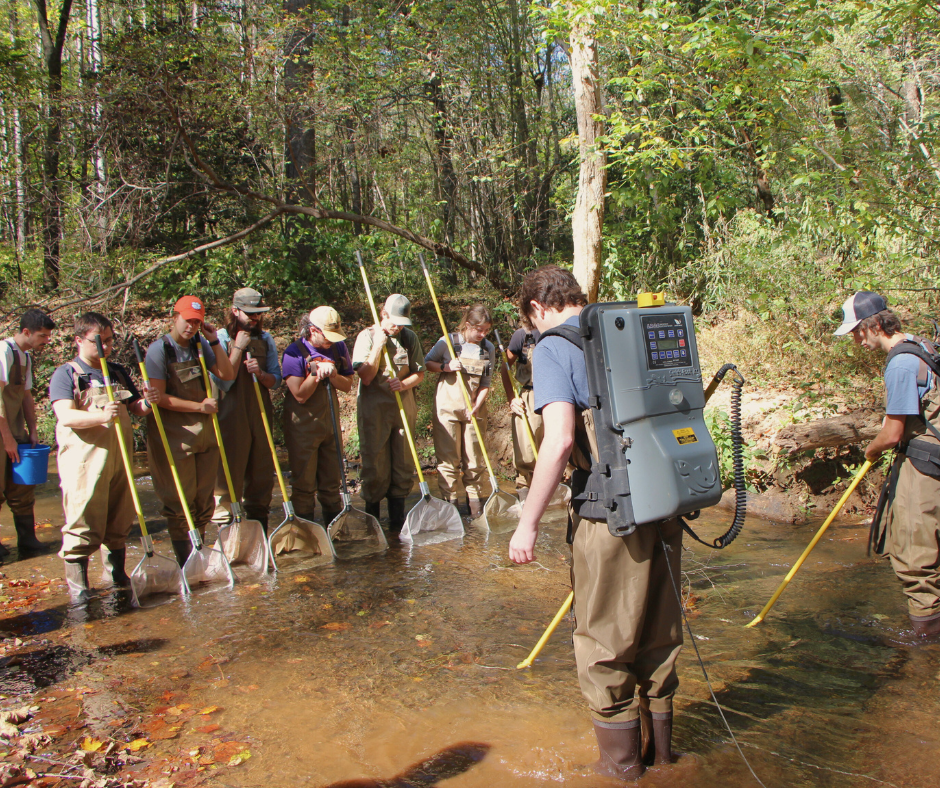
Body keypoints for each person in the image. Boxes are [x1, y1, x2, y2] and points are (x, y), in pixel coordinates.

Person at [508, 266, 682, 779]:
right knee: (658, 639)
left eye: (530, 323)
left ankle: (622, 773)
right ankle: (667, 763)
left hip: (609, 517)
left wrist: (528, 523)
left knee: (605, 650)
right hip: (665, 503)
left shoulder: (552, 348)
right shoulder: (628, 326)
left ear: (537, 309)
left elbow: (560, 441)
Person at [835, 291, 940, 638]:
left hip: (925, 465)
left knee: (915, 559)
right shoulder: (922, 345)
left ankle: (923, 645)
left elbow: (893, 434)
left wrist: (871, 451)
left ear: (875, 325)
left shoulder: (899, 363)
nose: (856, 340)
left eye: (857, 332)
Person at [50, 313, 159, 602]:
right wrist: (99, 416)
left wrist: (148, 401)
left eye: (110, 341)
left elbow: (136, 407)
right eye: (100, 342)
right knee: (83, 520)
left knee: (119, 518)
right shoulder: (67, 374)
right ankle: (79, 589)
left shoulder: (117, 372)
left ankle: (117, 578)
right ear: (78, 340)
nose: (107, 347)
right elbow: (64, 415)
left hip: (119, 459)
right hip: (85, 463)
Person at [145, 296, 235, 566]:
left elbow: (227, 373)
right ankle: (186, 562)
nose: (191, 326)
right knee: (179, 502)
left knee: (203, 499)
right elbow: (158, 397)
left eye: (197, 321)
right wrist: (199, 407)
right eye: (188, 320)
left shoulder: (200, 345)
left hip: (204, 436)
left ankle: (199, 555)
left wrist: (214, 341)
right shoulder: (159, 350)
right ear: (175, 317)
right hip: (174, 437)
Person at [352, 295, 425, 533]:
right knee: (375, 464)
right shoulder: (367, 336)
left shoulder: (408, 337)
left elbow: (419, 374)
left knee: (403, 463)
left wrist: (404, 385)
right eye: (394, 321)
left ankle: (396, 525)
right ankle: (372, 524)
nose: (398, 326)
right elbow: (366, 375)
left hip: (403, 407)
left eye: (402, 322)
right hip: (374, 411)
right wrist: (378, 346)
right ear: (383, 315)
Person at [211, 288, 281, 530]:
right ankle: (226, 534)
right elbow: (223, 381)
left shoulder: (266, 339)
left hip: (260, 415)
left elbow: (276, 380)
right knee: (227, 476)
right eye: (250, 313)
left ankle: (259, 533)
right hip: (229, 417)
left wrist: (260, 373)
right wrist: (238, 349)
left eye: (259, 314)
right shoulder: (218, 339)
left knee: (261, 474)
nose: (255, 318)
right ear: (235, 311)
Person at [281, 307, 354, 525]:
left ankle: (335, 531)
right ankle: (305, 533)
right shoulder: (293, 353)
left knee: (332, 483)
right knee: (303, 485)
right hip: (302, 427)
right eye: (327, 336)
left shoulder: (338, 347)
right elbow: (299, 395)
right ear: (313, 330)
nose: (331, 341)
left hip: (330, 426)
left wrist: (333, 374)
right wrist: (315, 373)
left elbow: (348, 385)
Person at [424, 304, 496, 518]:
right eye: (479, 330)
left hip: (474, 411)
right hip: (447, 409)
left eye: (486, 331)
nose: (482, 334)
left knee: (474, 462)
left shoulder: (488, 348)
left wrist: (476, 405)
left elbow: (486, 382)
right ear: (468, 325)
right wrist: (445, 367)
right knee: (449, 461)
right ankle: (451, 510)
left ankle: (476, 511)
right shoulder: (447, 342)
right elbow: (428, 363)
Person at [0, 308, 55, 559]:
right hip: (3, 433)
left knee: (22, 487)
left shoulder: (26, 357)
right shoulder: (4, 351)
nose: (47, 341)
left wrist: (32, 431)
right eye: (43, 336)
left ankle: (28, 540)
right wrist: (7, 438)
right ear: (26, 332)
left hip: (16, 432)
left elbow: (26, 396)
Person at [500, 324, 542, 490]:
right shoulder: (522, 335)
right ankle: (525, 500)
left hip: (560, 396)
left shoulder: (559, 328)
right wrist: (511, 398)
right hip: (530, 397)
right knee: (527, 454)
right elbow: (505, 366)